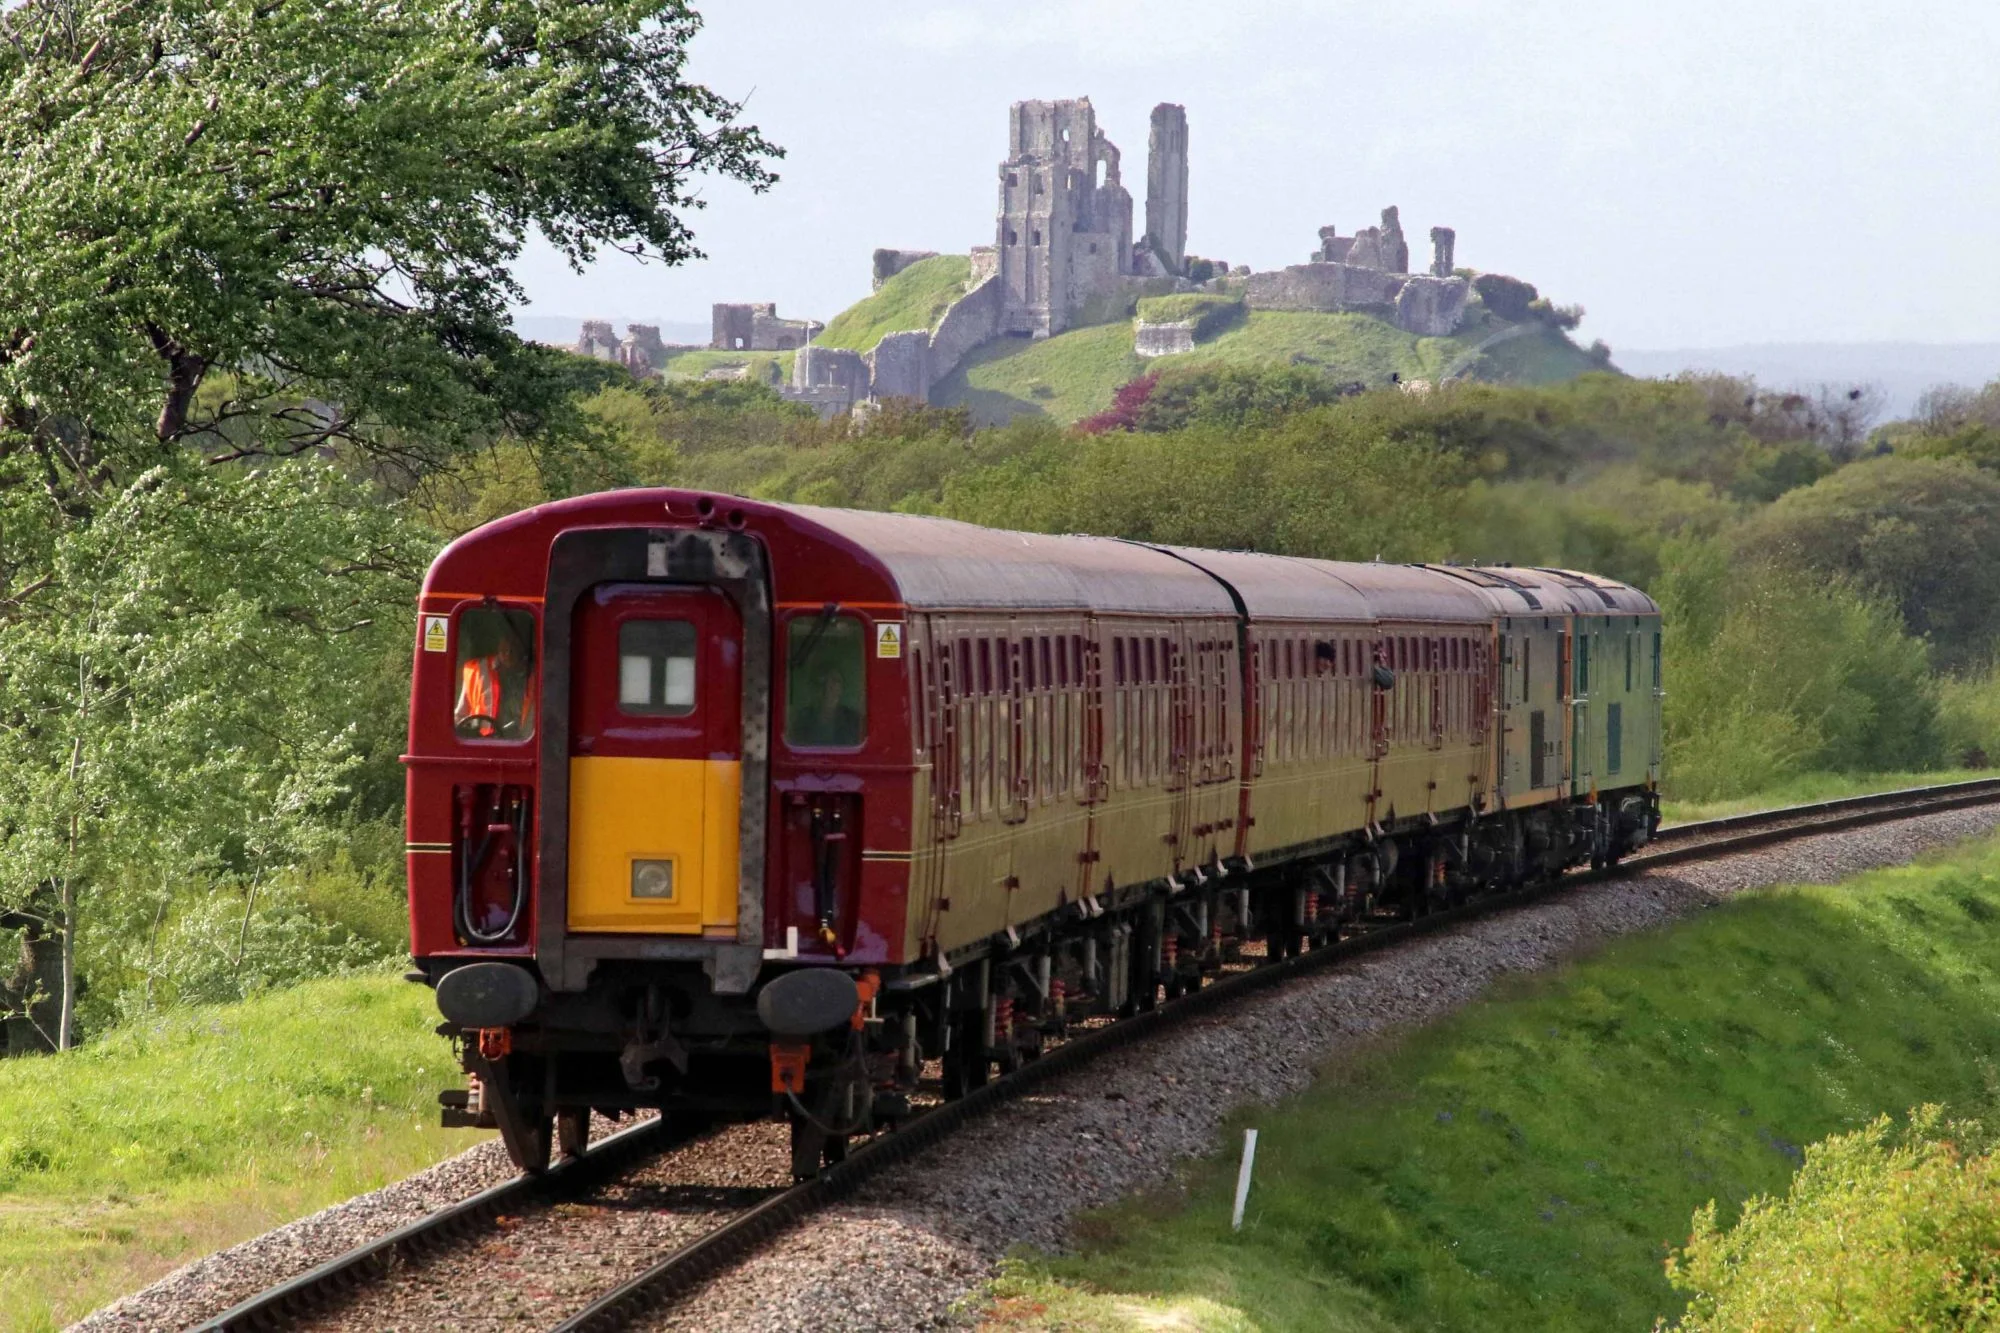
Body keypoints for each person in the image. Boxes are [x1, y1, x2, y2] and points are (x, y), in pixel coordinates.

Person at [456, 632, 535, 739]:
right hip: (482, 743)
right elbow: (461, 714)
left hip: (519, 742)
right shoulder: (477, 670)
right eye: (505, 648)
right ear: (498, 647)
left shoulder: (533, 677)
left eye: (514, 648)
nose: (508, 653)